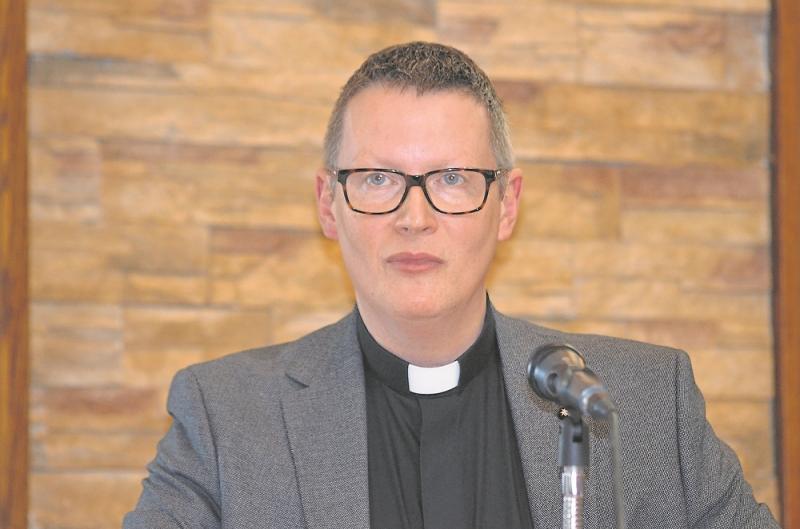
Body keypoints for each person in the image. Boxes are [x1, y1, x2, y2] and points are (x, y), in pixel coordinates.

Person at [124, 42, 780, 529]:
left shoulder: (642, 405)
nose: (416, 218)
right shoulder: (225, 419)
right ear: (329, 204)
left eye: (453, 179)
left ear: (508, 204)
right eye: (378, 179)